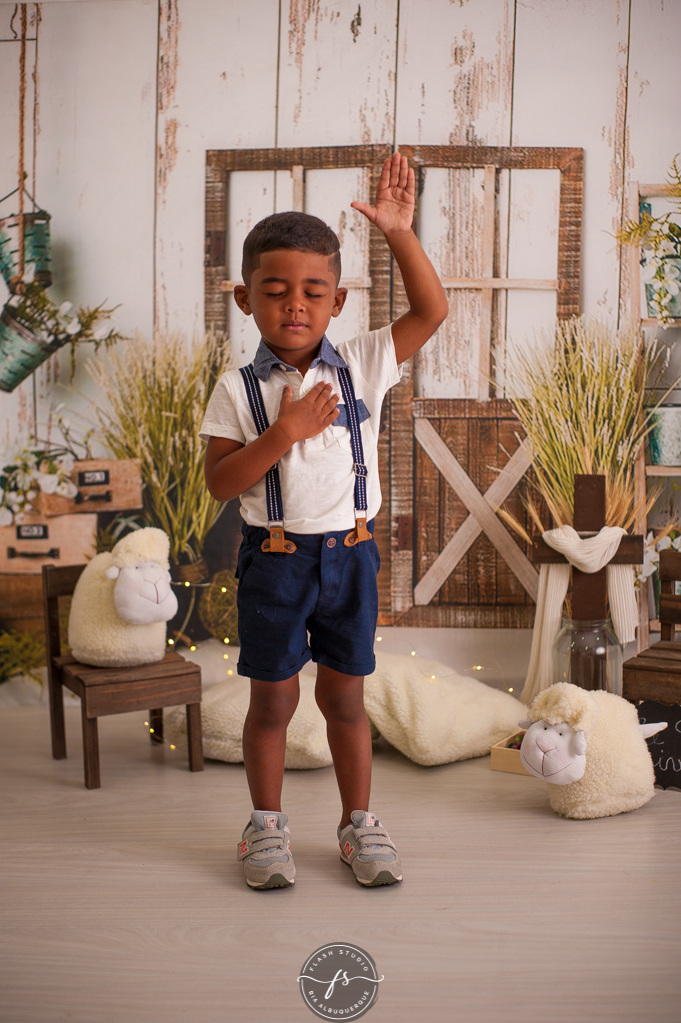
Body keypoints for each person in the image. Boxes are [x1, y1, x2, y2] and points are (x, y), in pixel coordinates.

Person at [202, 152, 448, 889]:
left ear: (337, 301)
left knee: (345, 695)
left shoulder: (365, 362)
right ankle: (266, 828)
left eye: (313, 291)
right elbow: (220, 482)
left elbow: (431, 311)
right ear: (246, 299)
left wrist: (399, 232)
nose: (295, 305)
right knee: (273, 697)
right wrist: (282, 435)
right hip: (275, 560)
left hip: (350, 556)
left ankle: (358, 823)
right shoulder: (237, 387)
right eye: (275, 292)